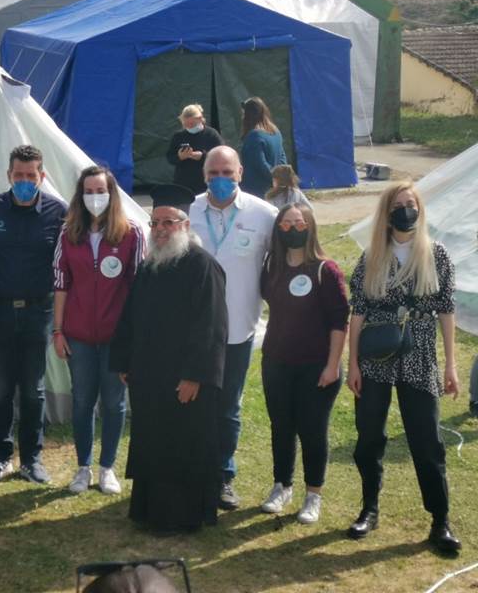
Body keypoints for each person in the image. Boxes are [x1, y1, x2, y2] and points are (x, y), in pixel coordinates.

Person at [346, 182, 461, 553]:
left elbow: (446, 310)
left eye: (411, 204)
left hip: (419, 355)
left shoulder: (436, 254)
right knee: (368, 438)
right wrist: (352, 364)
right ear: (386, 211)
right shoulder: (372, 256)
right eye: (398, 204)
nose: (405, 210)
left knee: (427, 440)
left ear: (420, 209)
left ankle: (440, 519)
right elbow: (358, 311)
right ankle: (369, 508)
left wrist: (451, 365)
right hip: (376, 357)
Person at [111, 184, 227, 534]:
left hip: (183, 380)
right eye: (155, 223)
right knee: (152, 442)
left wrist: (195, 376)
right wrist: (124, 361)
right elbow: (131, 316)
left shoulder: (202, 266)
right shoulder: (151, 266)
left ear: (185, 225)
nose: (160, 229)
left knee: (182, 446)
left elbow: (212, 327)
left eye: (169, 223)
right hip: (149, 377)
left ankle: (181, 518)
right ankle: (148, 511)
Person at [189, 146, 278, 510]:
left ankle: (224, 476)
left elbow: (284, 266)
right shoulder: (189, 211)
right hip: (193, 330)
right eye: (214, 173)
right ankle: (193, 471)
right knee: (193, 402)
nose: (220, 179)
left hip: (239, 328)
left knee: (228, 406)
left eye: (228, 172)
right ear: (204, 174)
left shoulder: (264, 215)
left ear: (240, 173)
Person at [53, 165, 145, 496]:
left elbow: (138, 288)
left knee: (113, 402)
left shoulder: (131, 233)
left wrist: (133, 338)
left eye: (101, 191)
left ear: (112, 194)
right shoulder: (68, 233)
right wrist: (58, 331)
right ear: (80, 196)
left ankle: (107, 468)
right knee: (81, 401)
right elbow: (61, 284)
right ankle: (83, 467)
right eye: (88, 192)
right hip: (78, 335)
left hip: (115, 338)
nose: (95, 198)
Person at [0, 145, 66, 484]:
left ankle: (32, 459)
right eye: (19, 175)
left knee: (33, 389)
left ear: (42, 176)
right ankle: (0, 457)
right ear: (9, 176)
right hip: (0, 310)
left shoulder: (59, 213)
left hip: (38, 312)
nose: (25, 181)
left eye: (31, 176)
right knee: (0, 387)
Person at [258, 204, 348, 524]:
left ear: (310, 226)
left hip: (316, 366)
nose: (293, 228)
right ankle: (282, 486)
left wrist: (332, 365)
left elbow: (340, 321)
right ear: (278, 229)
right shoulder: (271, 265)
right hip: (277, 361)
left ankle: (313, 495)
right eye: (286, 223)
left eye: (299, 222)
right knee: (281, 427)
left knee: (312, 430)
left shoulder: (325, 270)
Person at [164, 103, 225, 195]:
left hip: (205, 184)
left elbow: (221, 155)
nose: (189, 127)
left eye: (192, 124)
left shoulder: (211, 134)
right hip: (182, 184)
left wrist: (202, 156)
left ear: (200, 119)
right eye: (185, 124)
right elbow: (170, 157)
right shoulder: (178, 136)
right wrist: (180, 157)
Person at [239, 97, 287, 198]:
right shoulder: (276, 132)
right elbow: (282, 159)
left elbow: (261, 165)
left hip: (256, 192)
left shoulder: (254, 136)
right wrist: (280, 180)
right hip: (273, 190)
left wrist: (274, 179)